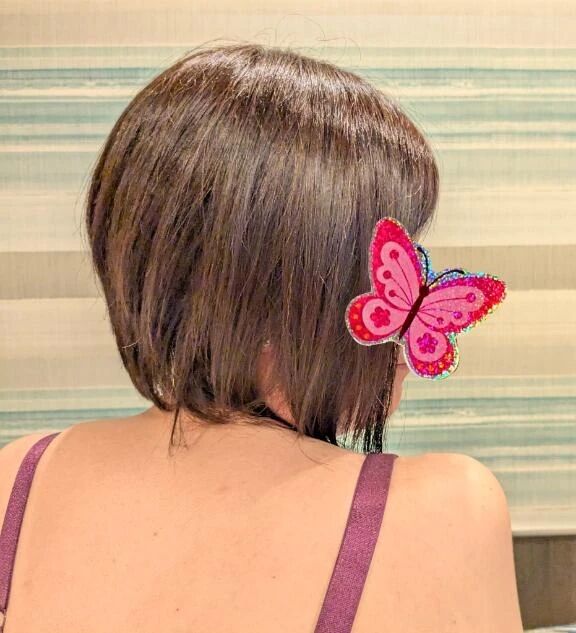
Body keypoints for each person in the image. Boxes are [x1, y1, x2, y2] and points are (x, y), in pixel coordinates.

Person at [0, 42, 524, 632]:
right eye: (389, 259)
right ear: (281, 294)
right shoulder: (448, 507)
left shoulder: (20, 477)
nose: (413, 302)